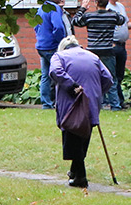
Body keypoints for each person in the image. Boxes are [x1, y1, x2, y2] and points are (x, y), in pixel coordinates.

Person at [49, 36, 114, 188]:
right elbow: (108, 78)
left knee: (72, 135)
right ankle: (75, 172)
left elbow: (55, 71)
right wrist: (97, 92)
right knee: (83, 136)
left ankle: (81, 177)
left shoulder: (59, 56)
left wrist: (72, 86)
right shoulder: (93, 57)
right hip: (91, 103)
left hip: (71, 103)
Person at [72, 0, 126, 109]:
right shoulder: (112, 15)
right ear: (107, 3)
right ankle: (115, 105)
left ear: (96, 3)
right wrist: (111, 10)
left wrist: (82, 8)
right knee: (111, 78)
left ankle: (96, 104)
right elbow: (122, 19)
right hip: (107, 51)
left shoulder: (89, 16)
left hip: (92, 51)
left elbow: (75, 21)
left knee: (93, 78)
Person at [33, 0, 69, 109]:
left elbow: (36, 26)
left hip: (41, 46)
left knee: (45, 76)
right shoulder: (54, 8)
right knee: (61, 74)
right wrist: (62, 42)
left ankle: (46, 103)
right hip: (52, 47)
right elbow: (58, 27)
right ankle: (62, 101)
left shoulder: (42, 8)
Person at [103, 0, 131, 110]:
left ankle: (118, 100)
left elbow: (126, 24)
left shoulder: (121, 7)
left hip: (122, 45)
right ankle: (116, 101)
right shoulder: (106, 8)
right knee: (112, 74)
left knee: (120, 75)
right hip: (112, 45)